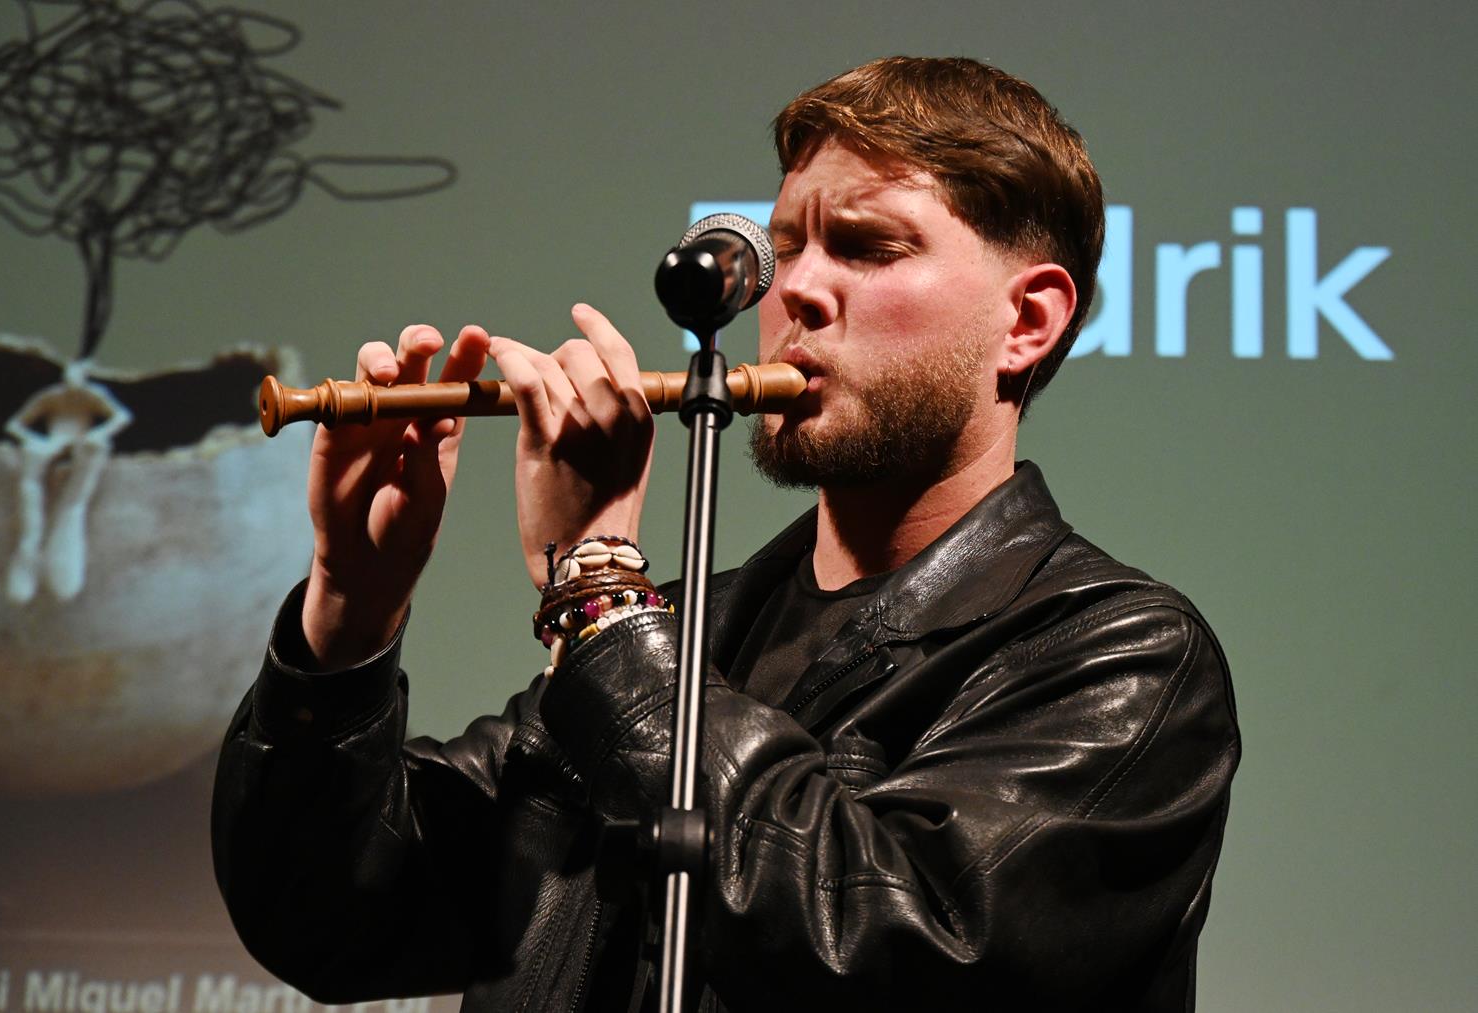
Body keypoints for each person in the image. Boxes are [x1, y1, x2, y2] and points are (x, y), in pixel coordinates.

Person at [213, 56, 1240, 1012]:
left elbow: (881, 950)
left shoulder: (1119, 657)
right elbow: (329, 916)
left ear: (1028, 322)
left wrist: (598, 587)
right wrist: (351, 611)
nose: (795, 290)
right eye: (786, 247)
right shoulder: (676, 637)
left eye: (868, 247)